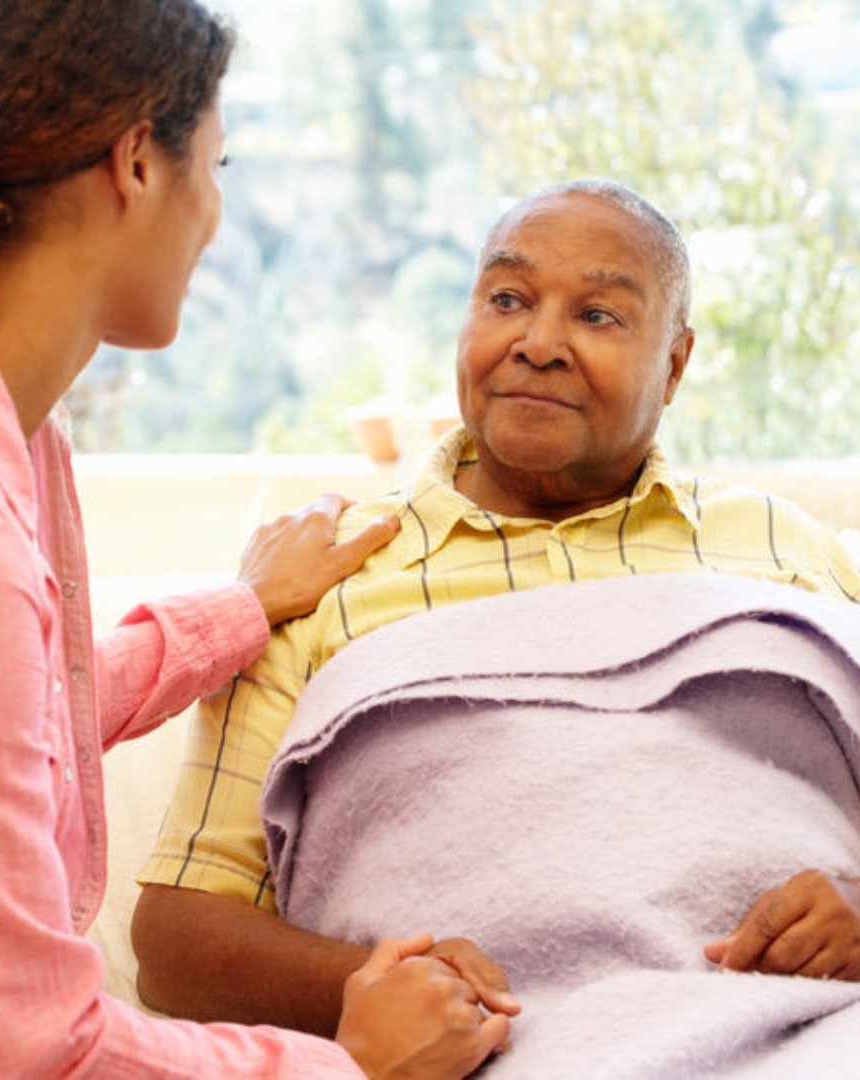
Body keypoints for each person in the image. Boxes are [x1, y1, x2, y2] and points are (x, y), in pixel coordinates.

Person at [0, 1, 514, 1077]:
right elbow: (37, 1047)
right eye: (213, 163)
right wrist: (352, 1066)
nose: (215, 213)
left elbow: (7, 711)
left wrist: (240, 610)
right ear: (135, 163)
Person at [132, 178, 860, 1037]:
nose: (539, 343)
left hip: (797, 1033)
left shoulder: (788, 551)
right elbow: (176, 937)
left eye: (598, 316)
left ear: (674, 364)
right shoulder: (320, 577)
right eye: (507, 299)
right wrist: (371, 985)